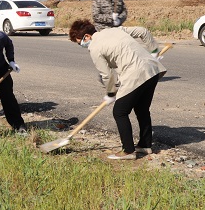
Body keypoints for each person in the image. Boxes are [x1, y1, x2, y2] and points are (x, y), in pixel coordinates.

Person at [69, 19, 166, 160]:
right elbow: (142, 31)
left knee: (120, 112)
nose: (81, 45)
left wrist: (110, 93)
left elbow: (107, 75)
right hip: (152, 69)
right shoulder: (114, 30)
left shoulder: (95, 48)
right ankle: (145, 145)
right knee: (142, 109)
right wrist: (154, 51)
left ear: (87, 36)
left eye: (79, 42)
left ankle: (128, 151)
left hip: (136, 74)